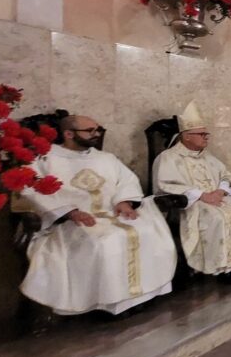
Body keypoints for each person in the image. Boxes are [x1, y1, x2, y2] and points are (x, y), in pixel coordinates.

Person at [21, 115, 177, 315]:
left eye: (98, 130)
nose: (96, 134)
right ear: (68, 134)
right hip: (71, 221)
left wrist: (124, 201)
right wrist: (69, 212)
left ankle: (138, 297)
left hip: (112, 213)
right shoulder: (44, 159)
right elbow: (30, 190)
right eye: (90, 131)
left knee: (147, 231)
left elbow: (127, 180)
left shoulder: (106, 158)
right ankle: (107, 302)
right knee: (106, 242)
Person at [154, 102, 231, 285]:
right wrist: (201, 195)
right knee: (219, 218)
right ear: (186, 136)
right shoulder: (168, 158)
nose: (206, 137)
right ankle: (228, 268)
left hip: (217, 198)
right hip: (192, 204)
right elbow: (166, 185)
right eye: (201, 134)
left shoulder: (207, 156)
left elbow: (226, 176)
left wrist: (220, 190)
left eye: (206, 134)